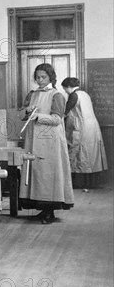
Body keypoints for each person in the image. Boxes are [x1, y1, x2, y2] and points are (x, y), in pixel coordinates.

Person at [19, 63, 74, 224]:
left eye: (43, 77)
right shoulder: (32, 93)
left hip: (50, 140)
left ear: (51, 77)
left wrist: (38, 116)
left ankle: (49, 211)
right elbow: (22, 113)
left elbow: (58, 119)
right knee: (36, 173)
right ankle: (42, 209)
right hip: (34, 138)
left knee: (49, 174)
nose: (40, 80)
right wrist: (27, 112)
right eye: (37, 77)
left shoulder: (56, 95)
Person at [61, 77, 108, 187]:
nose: (65, 91)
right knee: (91, 154)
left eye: (65, 89)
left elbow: (65, 111)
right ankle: (91, 183)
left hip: (81, 127)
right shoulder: (85, 94)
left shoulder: (73, 95)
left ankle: (79, 183)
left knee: (80, 153)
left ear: (68, 87)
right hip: (92, 126)